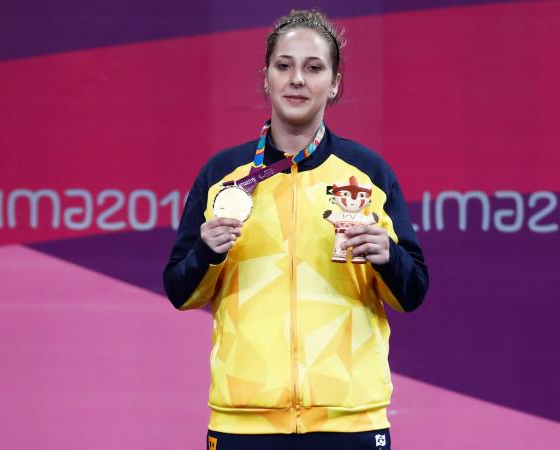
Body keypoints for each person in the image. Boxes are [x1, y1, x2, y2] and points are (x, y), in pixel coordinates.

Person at [163, 9, 428, 450]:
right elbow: (179, 289)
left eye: (313, 67)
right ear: (266, 78)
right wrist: (206, 253)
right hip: (244, 424)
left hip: (350, 423)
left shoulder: (369, 174)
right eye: (284, 66)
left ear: (335, 82)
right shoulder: (222, 175)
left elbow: (413, 291)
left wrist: (388, 254)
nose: (297, 79)